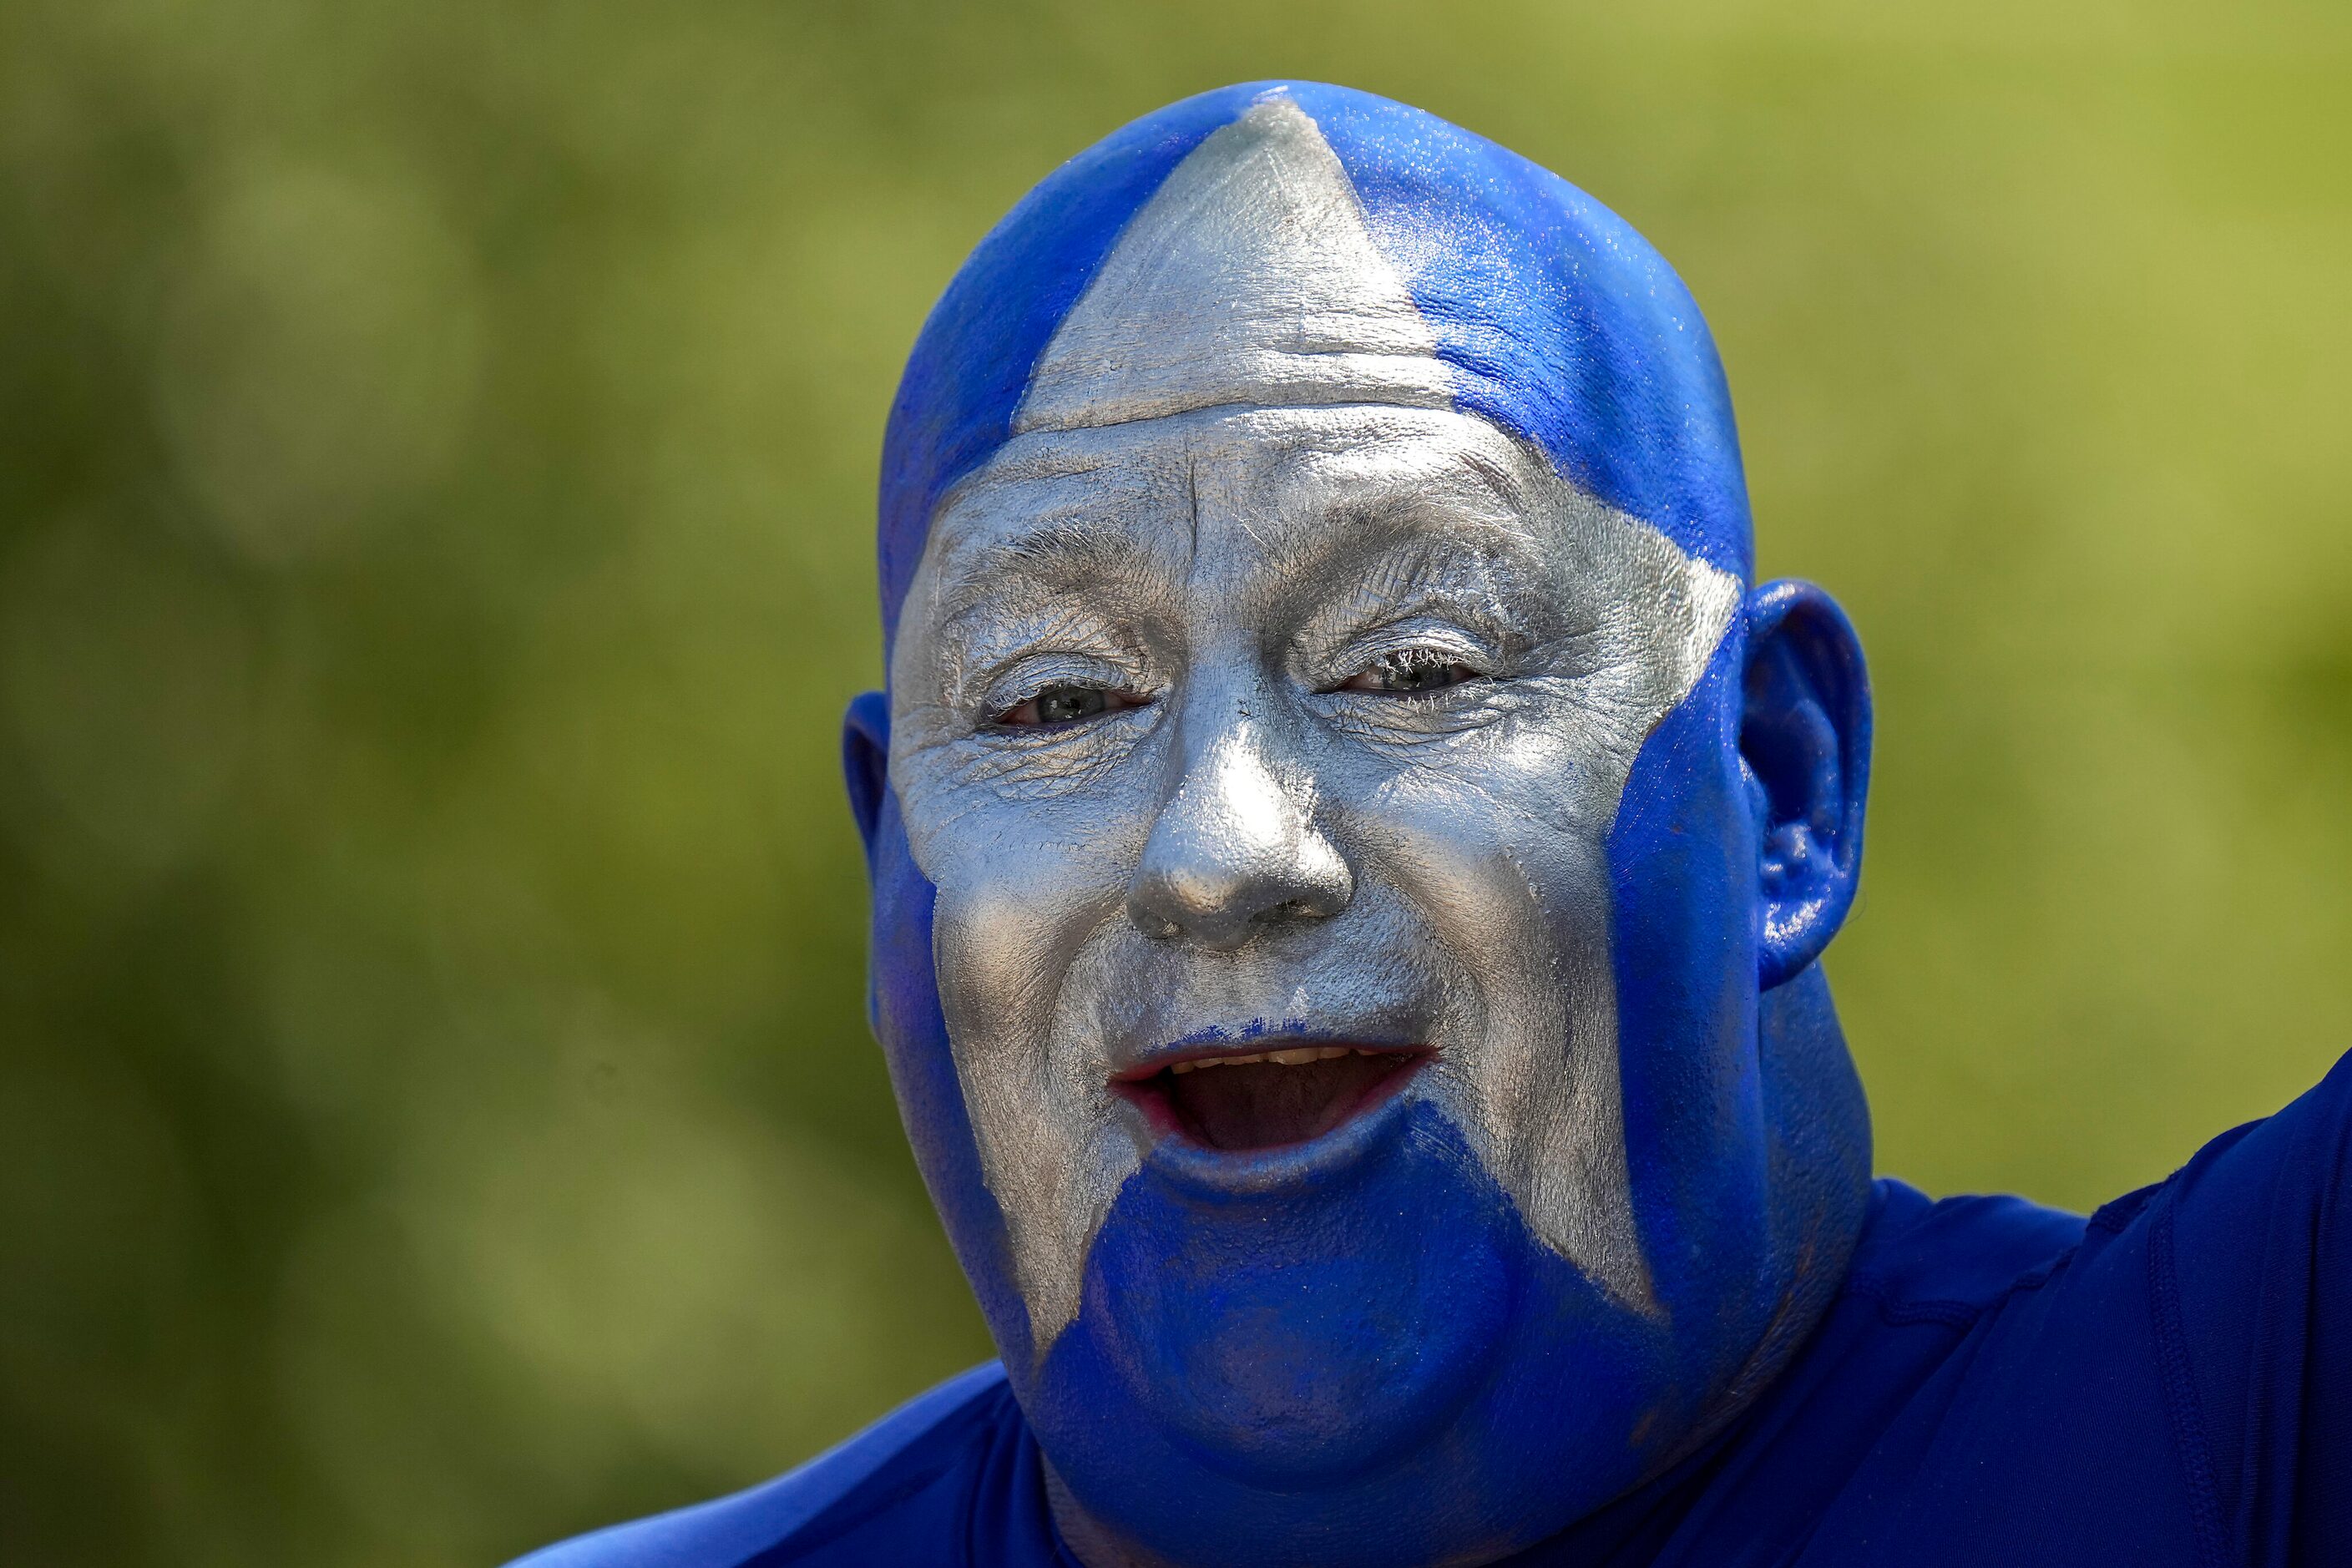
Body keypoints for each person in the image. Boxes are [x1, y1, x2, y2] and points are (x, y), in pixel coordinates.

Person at [513, 82, 2352, 1568]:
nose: (1219, 849)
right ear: (891, 873)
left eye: (1410, 664)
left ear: (1777, 788)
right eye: (1056, 702)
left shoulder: (2224, 1428)